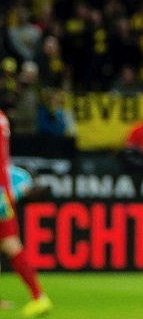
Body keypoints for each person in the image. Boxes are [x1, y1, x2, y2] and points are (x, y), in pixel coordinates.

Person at [0, 109, 52, 317]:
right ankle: (38, 296)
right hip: (4, 192)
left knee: (10, 244)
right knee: (10, 243)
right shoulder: (2, 118)